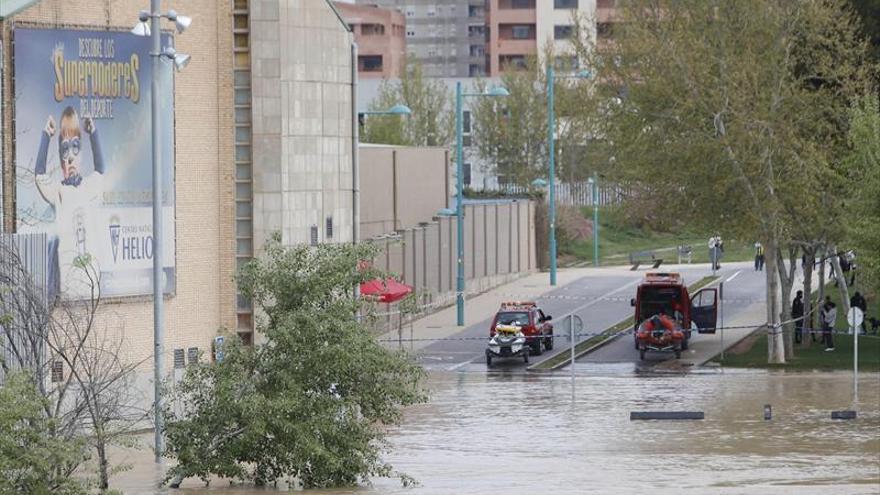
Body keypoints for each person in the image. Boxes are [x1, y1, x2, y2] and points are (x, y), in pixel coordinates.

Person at [34, 106, 106, 299]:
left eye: (75, 147)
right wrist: (46, 135)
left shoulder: (89, 187)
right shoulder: (59, 192)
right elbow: (40, 176)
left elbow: (100, 169)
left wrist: (93, 133)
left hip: (91, 284)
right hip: (69, 284)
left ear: (81, 153)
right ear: (61, 158)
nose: (70, 157)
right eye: (65, 150)